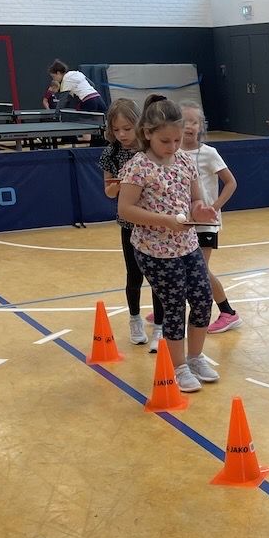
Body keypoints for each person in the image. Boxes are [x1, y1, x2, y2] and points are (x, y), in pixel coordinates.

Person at [116, 98, 220, 393]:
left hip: (187, 245)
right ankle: (179, 367)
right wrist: (164, 221)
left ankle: (195, 357)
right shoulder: (138, 167)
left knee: (202, 299)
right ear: (147, 133)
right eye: (165, 141)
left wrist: (201, 210)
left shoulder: (185, 161)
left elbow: (195, 199)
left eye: (177, 140)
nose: (173, 146)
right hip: (155, 252)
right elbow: (125, 209)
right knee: (174, 306)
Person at [99, 98, 164, 350]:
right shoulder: (111, 153)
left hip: (153, 223)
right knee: (134, 274)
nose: (122, 134)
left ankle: (160, 327)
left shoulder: (150, 150)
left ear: (139, 124)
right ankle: (135, 319)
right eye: (116, 130)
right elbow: (108, 192)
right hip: (128, 224)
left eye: (127, 128)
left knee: (157, 276)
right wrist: (117, 185)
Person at [176, 100, 242, 336]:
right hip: (183, 223)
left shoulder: (209, 154)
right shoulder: (172, 153)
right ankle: (168, 310)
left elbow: (231, 182)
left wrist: (214, 207)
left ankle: (228, 312)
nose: (189, 126)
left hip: (205, 224)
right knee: (181, 268)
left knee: (200, 270)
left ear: (201, 126)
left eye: (194, 122)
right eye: (185, 121)